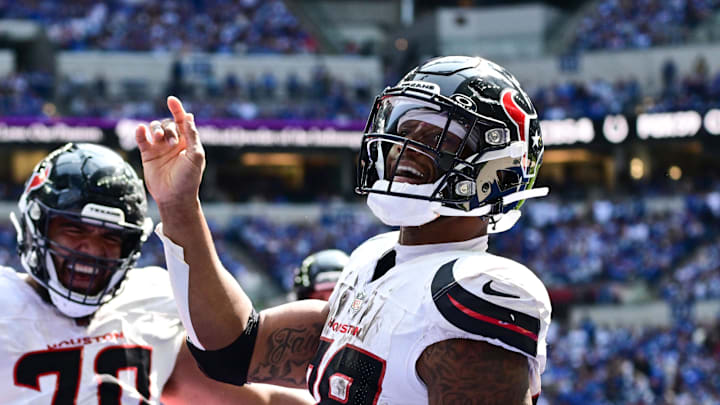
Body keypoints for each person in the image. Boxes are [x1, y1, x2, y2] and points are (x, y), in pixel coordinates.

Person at [137, 55, 552, 404]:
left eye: (438, 137)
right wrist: (179, 207)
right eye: (405, 131)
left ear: (496, 169)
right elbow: (232, 350)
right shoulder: (374, 260)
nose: (406, 147)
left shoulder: (476, 290)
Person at [0, 143, 313, 404]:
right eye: (74, 228)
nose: (93, 250)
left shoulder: (150, 302)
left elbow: (254, 398)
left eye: (110, 236)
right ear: (35, 227)